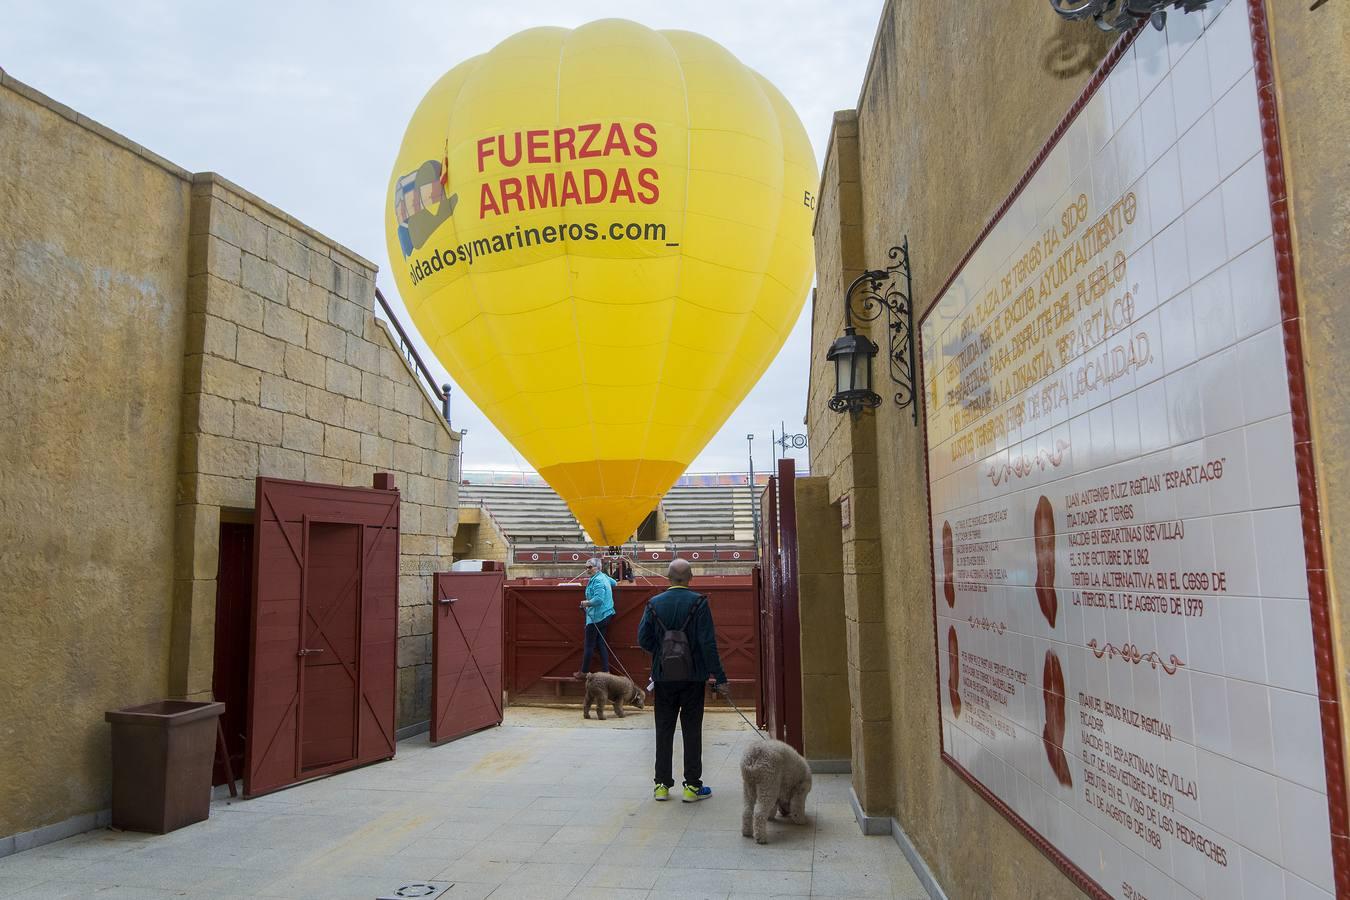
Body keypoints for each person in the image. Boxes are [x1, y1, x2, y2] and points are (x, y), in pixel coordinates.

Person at [638, 557, 729, 802]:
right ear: (690, 578)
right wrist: (719, 677)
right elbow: (707, 643)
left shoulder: (654, 603)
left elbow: (643, 639)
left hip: (663, 676)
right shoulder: (699, 602)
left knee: (663, 730)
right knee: (692, 730)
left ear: (668, 578)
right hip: (694, 676)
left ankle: (661, 785)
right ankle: (692, 787)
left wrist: (663, 650)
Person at [573, 557, 616, 679]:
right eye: (586, 567)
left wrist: (585, 603)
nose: (587, 570)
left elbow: (598, 600)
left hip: (597, 616)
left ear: (598, 568)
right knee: (601, 643)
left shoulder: (598, 581)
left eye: (590, 567)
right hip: (606, 614)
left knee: (589, 645)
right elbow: (614, 583)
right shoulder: (602, 577)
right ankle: (606, 671)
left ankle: (584, 672)